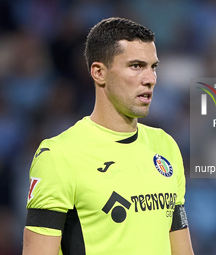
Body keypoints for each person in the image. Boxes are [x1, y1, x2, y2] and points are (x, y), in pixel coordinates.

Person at [22, 17, 194, 255]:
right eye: (136, 66)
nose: (150, 79)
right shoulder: (60, 155)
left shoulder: (165, 146)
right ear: (99, 73)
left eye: (153, 67)